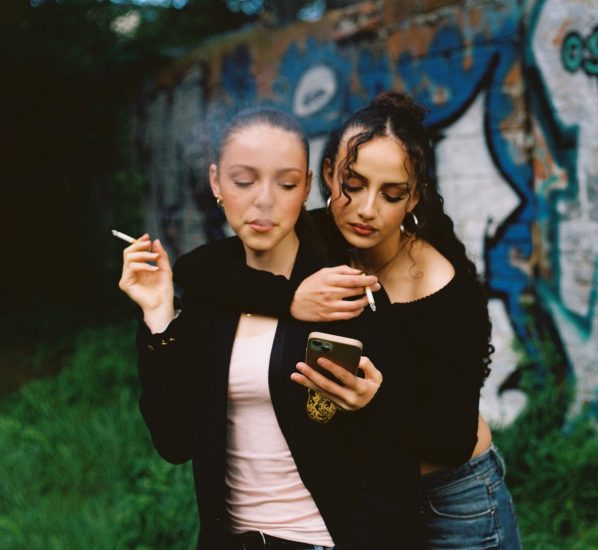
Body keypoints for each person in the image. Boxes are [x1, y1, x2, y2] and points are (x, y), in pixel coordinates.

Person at [182, 92, 522, 549]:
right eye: (353, 184)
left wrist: (373, 404)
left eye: (391, 194)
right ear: (326, 175)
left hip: (451, 499)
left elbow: (452, 438)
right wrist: (291, 298)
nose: (366, 209)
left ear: (414, 196)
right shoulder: (319, 234)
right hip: (367, 499)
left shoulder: (441, 286)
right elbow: (197, 268)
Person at [118, 107, 420, 550]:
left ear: (306, 189)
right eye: (244, 181)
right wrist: (160, 316)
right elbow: (175, 441)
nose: (264, 201)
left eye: (286, 183)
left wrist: (372, 406)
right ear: (217, 182)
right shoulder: (209, 293)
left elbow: (394, 462)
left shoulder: (344, 291)